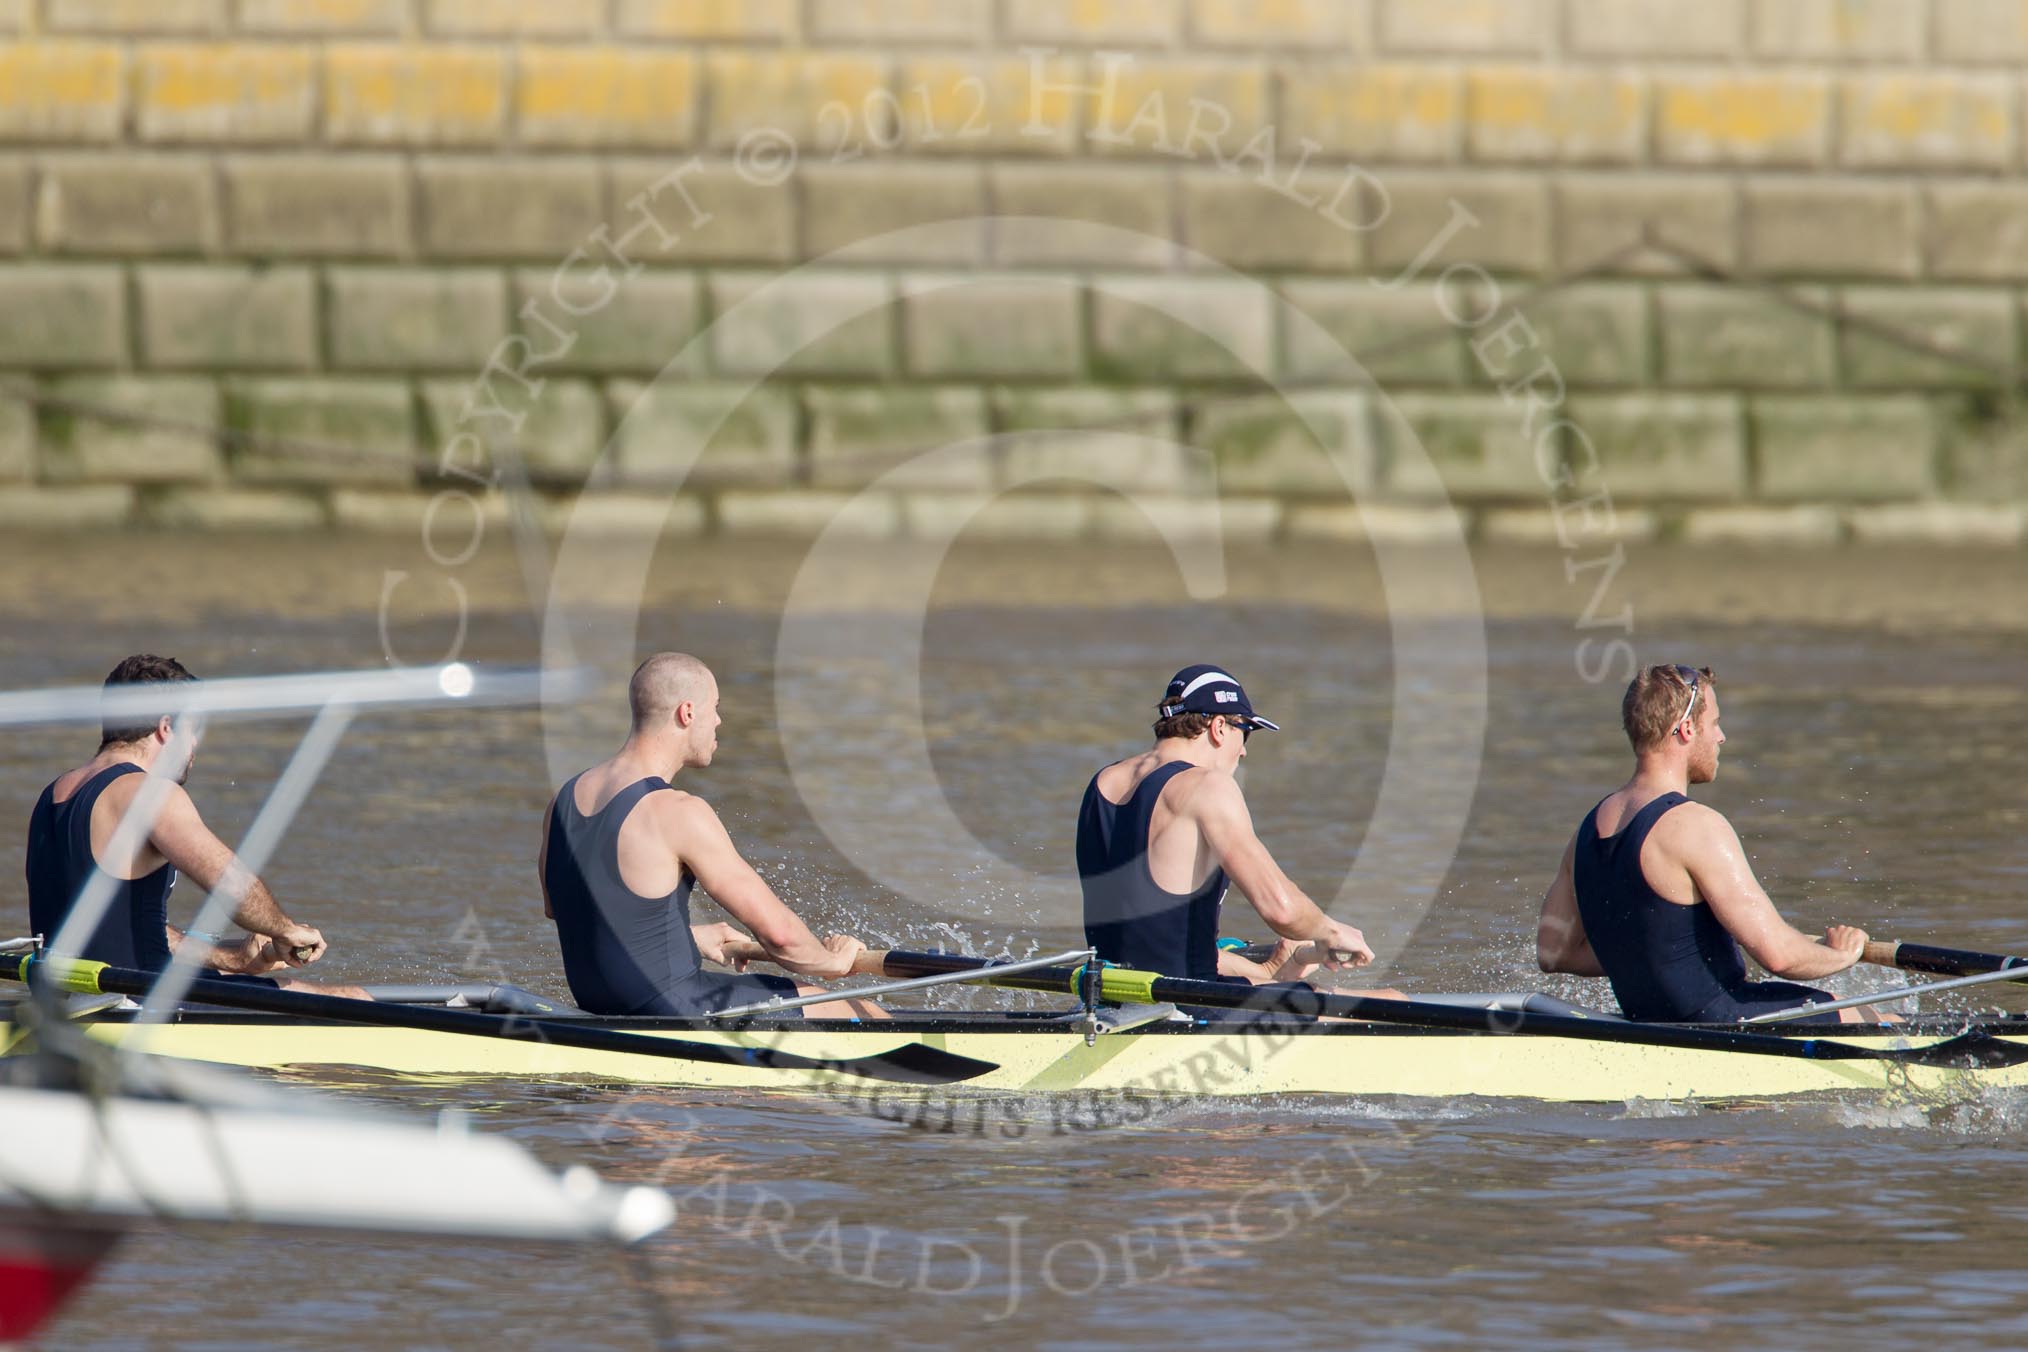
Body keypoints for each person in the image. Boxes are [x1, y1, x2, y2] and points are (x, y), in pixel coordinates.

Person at [539, 652, 885, 1019]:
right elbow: (781, 938)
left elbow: (564, 909)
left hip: (600, 1005)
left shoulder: (563, 799)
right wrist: (832, 961)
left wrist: (684, 937)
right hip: (676, 1007)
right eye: (715, 708)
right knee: (865, 1014)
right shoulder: (678, 812)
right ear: (687, 713)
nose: (719, 721)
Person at [1536, 663, 1885, 1024]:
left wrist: (1654, 951)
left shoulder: (1586, 832)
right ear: (1687, 729)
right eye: (1715, 723)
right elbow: (1780, 955)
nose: (1721, 737)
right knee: (1872, 1017)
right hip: (1722, 1021)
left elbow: (1554, 952)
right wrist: (1842, 953)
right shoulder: (1696, 826)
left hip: (1649, 1022)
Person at [25, 654, 365, 997]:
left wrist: (233, 958)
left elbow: (122, 927)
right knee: (353, 999)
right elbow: (231, 884)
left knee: (239, 980)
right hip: (141, 1006)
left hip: (62, 1004)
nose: (194, 746)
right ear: (167, 728)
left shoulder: (53, 795)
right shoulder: (150, 794)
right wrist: (285, 929)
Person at [1076, 664, 1399, 1011]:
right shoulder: (1207, 786)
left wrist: (1273, 968)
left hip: (1113, 998)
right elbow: (1282, 910)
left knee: (1290, 983)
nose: (1243, 751)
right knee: (1394, 1003)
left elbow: (1148, 940)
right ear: (1218, 727)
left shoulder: (1103, 782)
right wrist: (1331, 932)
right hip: (1186, 1007)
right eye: (1245, 733)